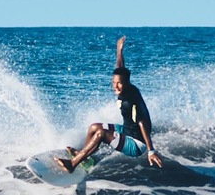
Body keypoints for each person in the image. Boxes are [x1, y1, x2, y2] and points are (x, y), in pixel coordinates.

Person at [55, 36, 163, 173]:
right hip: (128, 130)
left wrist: (151, 150)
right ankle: (86, 157)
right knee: (94, 127)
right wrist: (119, 51)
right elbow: (120, 68)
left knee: (101, 133)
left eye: (119, 83)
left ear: (127, 82)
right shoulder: (126, 85)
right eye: (114, 82)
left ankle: (73, 164)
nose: (116, 86)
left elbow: (142, 122)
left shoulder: (130, 100)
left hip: (137, 144)